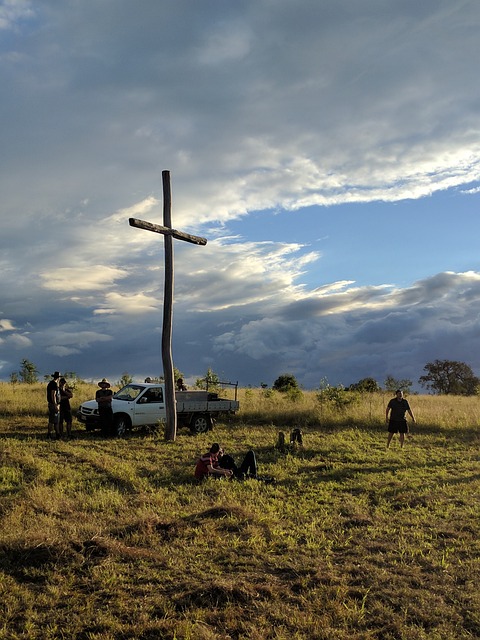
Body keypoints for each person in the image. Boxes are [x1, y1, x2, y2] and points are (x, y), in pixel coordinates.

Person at [46, 371, 61, 439]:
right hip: (53, 404)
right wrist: (55, 404)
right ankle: (49, 434)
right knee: (52, 420)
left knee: (56, 420)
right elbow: (53, 394)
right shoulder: (54, 384)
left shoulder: (51, 383)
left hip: (54, 404)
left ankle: (57, 434)